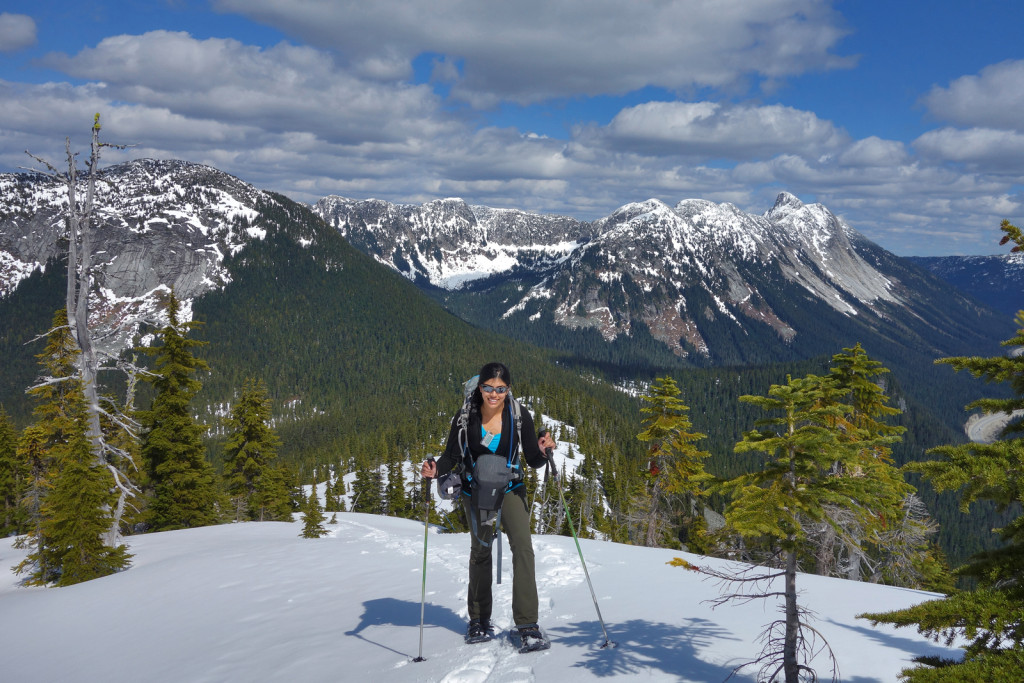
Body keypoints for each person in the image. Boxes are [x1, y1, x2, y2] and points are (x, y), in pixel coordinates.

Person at [421, 361, 556, 648]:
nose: (493, 394)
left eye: (500, 389)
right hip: (476, 490)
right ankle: (479, 620)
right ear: (480, 387)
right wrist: (435, 468)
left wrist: (544, 451)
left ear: (508, 389)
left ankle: (527, 624)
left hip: (510, 488)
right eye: (488, 388)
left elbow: (532, 458)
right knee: (480, 551)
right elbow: (450, 456)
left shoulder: (519, 416)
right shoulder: (465, 416)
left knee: (523, 547)